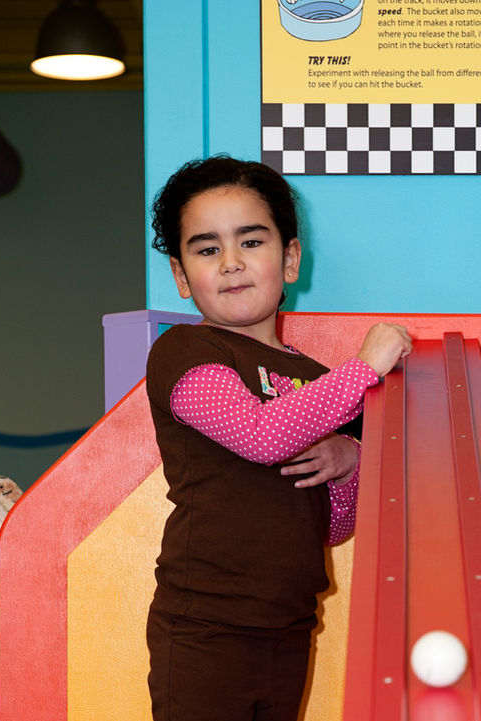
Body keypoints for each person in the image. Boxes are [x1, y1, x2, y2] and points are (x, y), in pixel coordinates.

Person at [144, 155, 412, 721]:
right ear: (180, 275)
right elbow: (260, 436)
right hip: (206, 624)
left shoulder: (317, 381)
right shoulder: (187, 352)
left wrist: (350, 460)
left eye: (252, 242)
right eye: (207, 248)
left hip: (289, 622)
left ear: (290, 259)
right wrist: (363, 369)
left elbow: (333, 525)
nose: (232, 263)